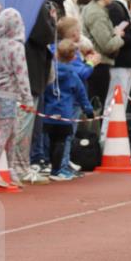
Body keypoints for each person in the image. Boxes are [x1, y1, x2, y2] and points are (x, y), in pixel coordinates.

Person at [0, 8, 34, 188]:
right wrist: (28, 98)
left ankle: (10, 168)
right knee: (7, 130)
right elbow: (22, 74)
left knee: (11, 130)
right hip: (10, 92)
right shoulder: (17, 47)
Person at [42, 39, 94, 181]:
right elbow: (81, 93)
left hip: (48, 113)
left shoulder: (49, 71)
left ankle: (49, 165)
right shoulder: (72, 74)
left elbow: (44, 90)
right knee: (61, 142)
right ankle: (57, 170)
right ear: (73, 58)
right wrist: (88, 110)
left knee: (50, 140)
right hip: (65, 114)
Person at [17, 2, 55, 184]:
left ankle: (20, 165)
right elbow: (46, 34)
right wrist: (52, 22)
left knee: (22, 123)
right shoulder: (36, 3)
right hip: (30, 72)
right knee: (24, 124)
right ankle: (20, 167)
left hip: (25, 74)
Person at [101, 0, 131, 140]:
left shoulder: (120, 5)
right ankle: (106, 140)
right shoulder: (115, 7)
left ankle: (113, 142)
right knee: (115, 104)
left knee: (119, 105)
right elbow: (119, 36)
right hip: (120, 63)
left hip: (125, 63)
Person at [81, 0, 125, 106]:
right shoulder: (97, 14)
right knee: (98, 105)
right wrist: (118, 37)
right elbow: (107, 45)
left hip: (94, 63)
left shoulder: (91, 8)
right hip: (98, 65)